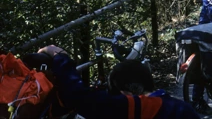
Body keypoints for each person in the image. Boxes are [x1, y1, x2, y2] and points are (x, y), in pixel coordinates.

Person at [38, 45, 200, 119]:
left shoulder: (142, 106)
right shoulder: (182, 109)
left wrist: (60, 57)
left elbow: (78, 97)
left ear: (127, 93)